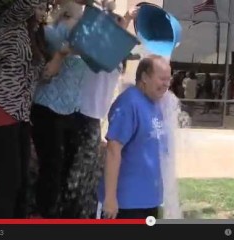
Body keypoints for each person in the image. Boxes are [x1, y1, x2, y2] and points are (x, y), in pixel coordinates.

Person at [61, 6, 139, 219]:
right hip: (83, 117)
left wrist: (128, 18)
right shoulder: (97, 53)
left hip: (92, 118)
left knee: (83, 173)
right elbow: (111, 33)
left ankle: (77, 214)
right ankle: (75, 216)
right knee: (80, 175)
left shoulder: (112, 55)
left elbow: (119, 34)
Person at [98, 55, 171, 219]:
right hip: (126, 203)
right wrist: (110, 198)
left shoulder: (156, 103)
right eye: (162, 79)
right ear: (145, 77)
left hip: (150, 201)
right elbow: (113, 150)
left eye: (169, 79)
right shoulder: (128, 103)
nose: (167, 84)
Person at [0, 0, 49, 218]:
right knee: (8, 181)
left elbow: (41, 74)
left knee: (21, 180)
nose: (44, 10)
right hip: (1, 110)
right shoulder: (9, 20)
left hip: (21, 114)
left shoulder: (32, 32)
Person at [31, 1, 84, 218]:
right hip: (47, 108)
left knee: (68, 166)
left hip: (71, 110)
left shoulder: (82, 35)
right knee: (51, 167)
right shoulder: (52, 31)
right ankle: (44, 214)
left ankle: (58, 214)